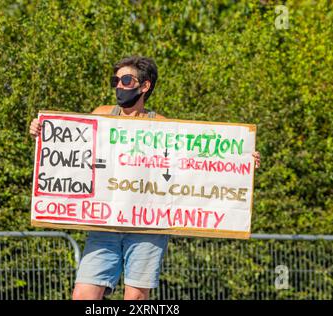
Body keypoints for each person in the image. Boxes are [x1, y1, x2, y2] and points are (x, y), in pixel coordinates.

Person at [29, 56, 261, 300]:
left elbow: (195, 165)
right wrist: (42, 131)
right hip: (104, 224)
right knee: (83, 295)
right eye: (115, 80)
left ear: (145, 86)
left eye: (126, 80)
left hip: (147, 227)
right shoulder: (102, 115)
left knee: (136, 299)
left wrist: (241, 159)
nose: (119, 85)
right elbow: (72, 147)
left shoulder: (161, 126)